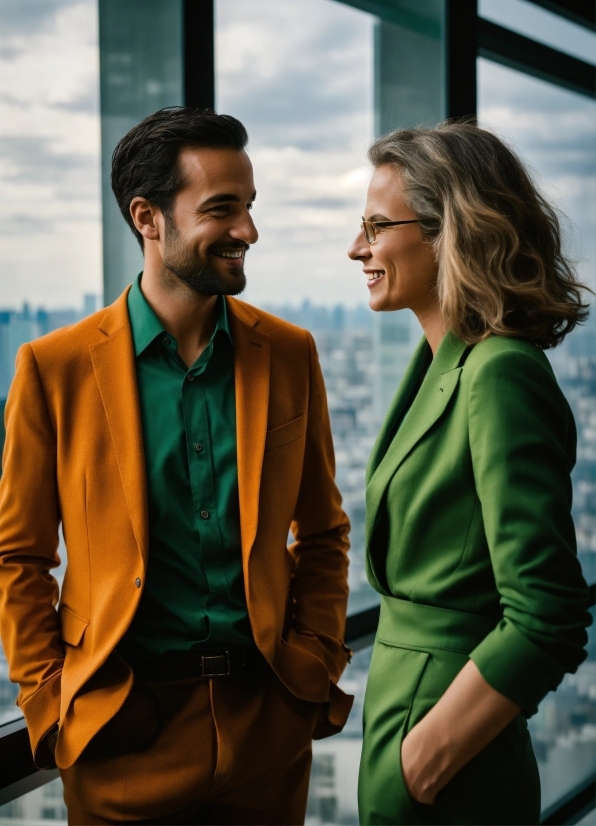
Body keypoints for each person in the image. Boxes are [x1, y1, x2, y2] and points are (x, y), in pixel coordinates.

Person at [0, 107, 352, 826]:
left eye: (250, 207)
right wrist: (49, 702)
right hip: (120, 739)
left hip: (267, 735)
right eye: (222, 209)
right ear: (148, 219)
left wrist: (314, 666)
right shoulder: (54, 368)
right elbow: (18, 555)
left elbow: (323, 535)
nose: (248, 231)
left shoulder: (290, 355)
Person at [348, 121, 592, 826]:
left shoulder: (499, 372)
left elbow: (548, 614)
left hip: (449, 756)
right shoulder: (444, 361)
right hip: (415, 728)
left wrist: (426, 755)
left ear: (445, 231)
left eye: (375, 225)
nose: (357, 247)